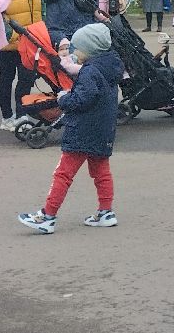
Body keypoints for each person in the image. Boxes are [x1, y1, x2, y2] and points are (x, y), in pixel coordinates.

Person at [17, 23, 124, 234]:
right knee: (101, 171)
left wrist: (64, 99)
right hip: (103, 129)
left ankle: (48, 216)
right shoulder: (108, 66)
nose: (74, 52)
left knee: (63, 173)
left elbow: (81, 99)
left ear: (90, 50)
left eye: (78, 49)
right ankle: (106, 211)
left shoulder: (90, 72)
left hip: (82, 129)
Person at [1, 0, 43, 131]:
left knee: (26, 78)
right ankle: (7, 117)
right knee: (7, 79)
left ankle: (21, 115)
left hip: (31, 40)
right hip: (9, 43)